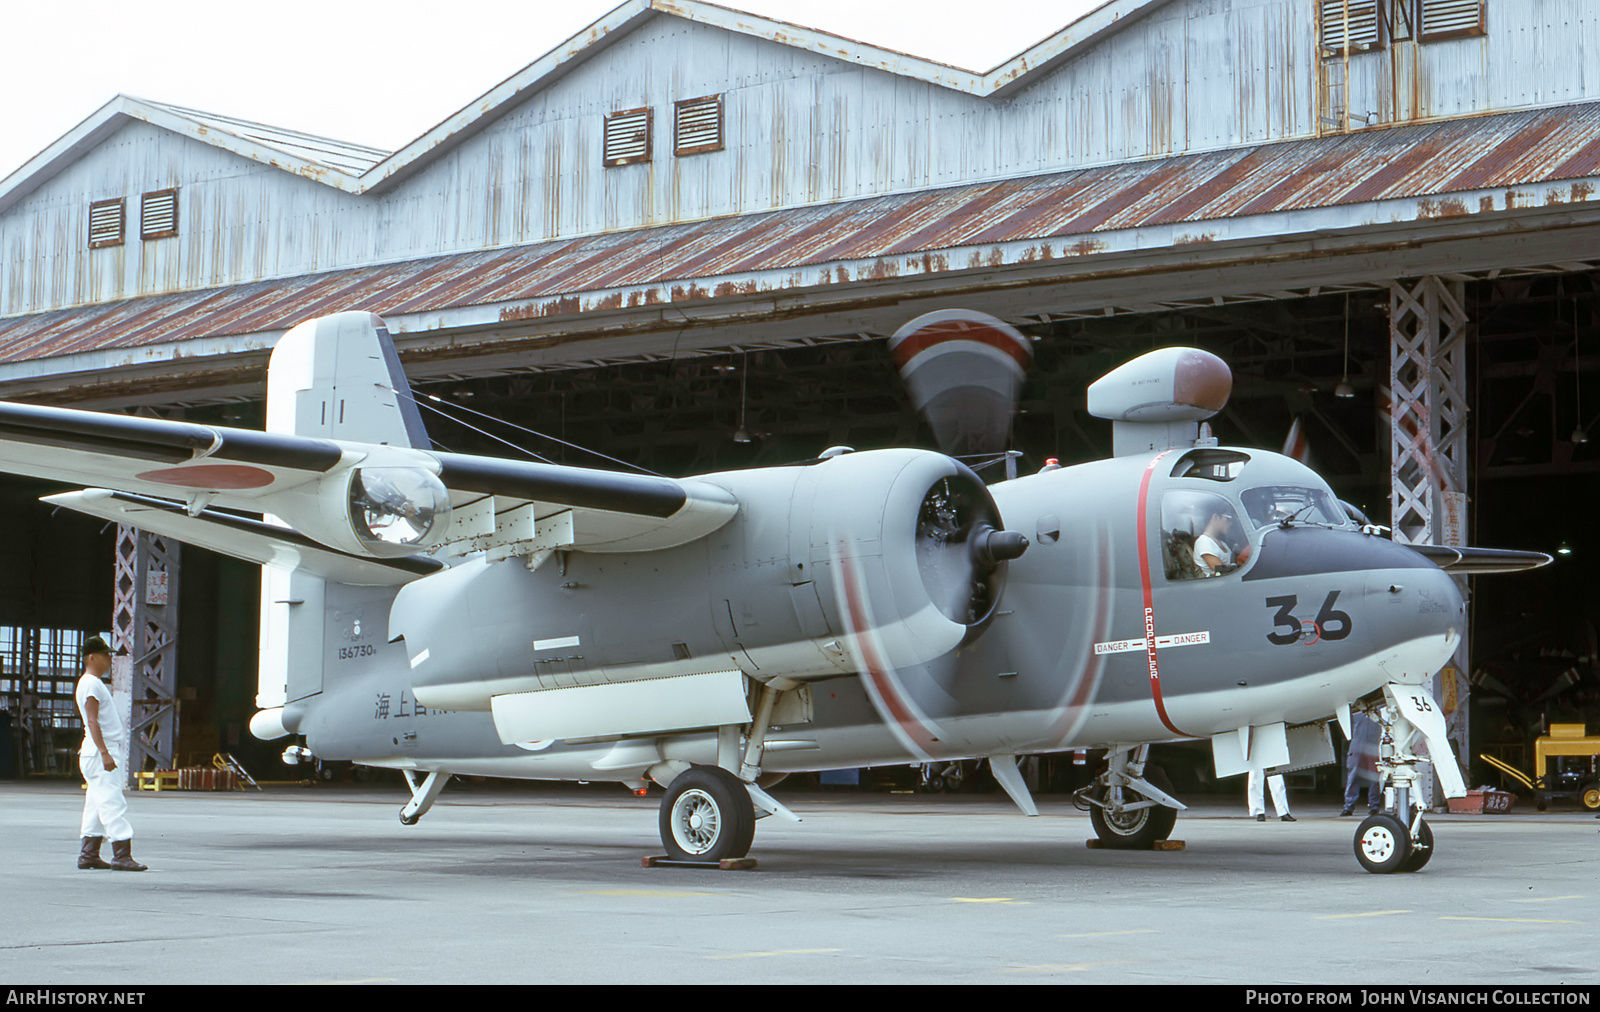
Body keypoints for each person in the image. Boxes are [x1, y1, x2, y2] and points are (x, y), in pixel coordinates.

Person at [74, 636, 145, 871]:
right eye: (105, 655)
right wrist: (105, 753)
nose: (109, 660)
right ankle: (122, 854)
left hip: (94, 750)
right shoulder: (92, 683)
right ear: (91, 657)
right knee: (112, 801)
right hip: (100, 749)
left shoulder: (88, 682)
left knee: (96, 804)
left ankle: (88, 854)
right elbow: (93, 721)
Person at [1341, 712, 1383, 816]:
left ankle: (1374, 806)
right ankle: (1349, 806)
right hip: (1357, 745)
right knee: (1353, 776)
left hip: (1373, 746)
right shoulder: (1355, 711)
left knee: (1374, 777)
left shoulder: (1378, 711)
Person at [1193, 510, 1250, 576]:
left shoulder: (1221, 542)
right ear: (1215, 517)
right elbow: (1222, 570)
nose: (1231, 523)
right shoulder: (1204, 542)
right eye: (1228, 518)